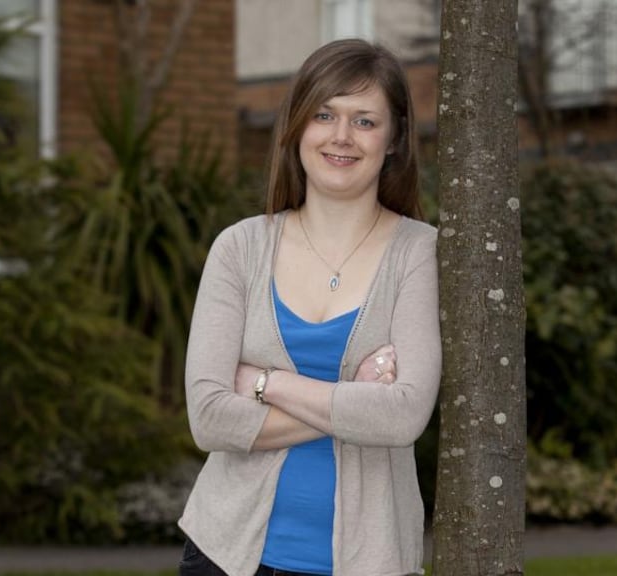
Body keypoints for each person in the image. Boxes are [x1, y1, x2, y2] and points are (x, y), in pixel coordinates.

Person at [178, 38, 441, 576]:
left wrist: (263, 383)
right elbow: (208, 419)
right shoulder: (240, 248)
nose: (341, 136)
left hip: (370, 562)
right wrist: (355, 400)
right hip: (226, 555)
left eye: (364, 121)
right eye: (324, 115)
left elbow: (403, 416)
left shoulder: (420, 252)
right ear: (297, 126)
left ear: (394, 138)